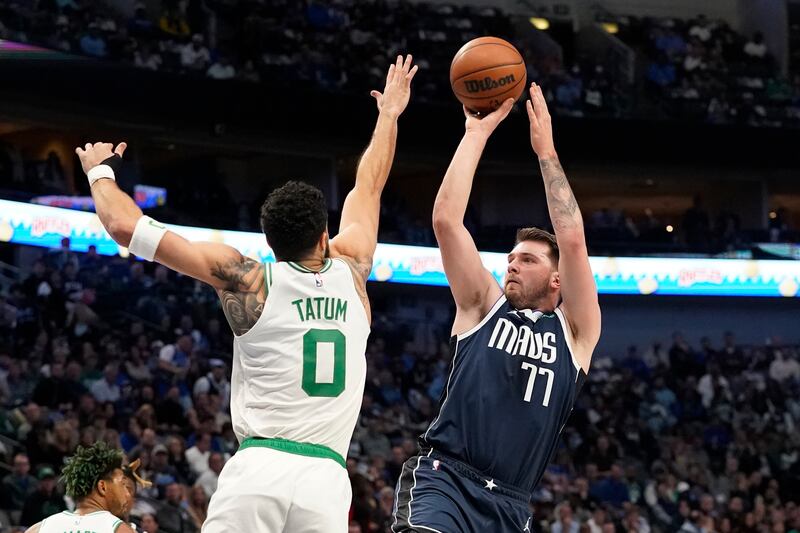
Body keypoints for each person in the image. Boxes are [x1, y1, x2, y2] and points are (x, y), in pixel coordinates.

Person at [75, 54, 418, 533]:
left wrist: (99, 171)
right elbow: (370, 183)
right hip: (325, 478)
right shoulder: (353, 267)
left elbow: (124, 226)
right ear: (325, 236)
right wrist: (389, 115)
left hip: (258, 469)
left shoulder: (247, 278)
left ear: (270, 244)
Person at [392, 83, 601, 531]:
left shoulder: (576, 334)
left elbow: (573, 241)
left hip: (510, 504)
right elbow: (447, 221)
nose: (512, 266)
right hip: (446, 478)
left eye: (527, 260)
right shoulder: (483, 305)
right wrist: (476, 134)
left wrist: (545, 153)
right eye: (510, 259)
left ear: (556, 279)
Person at [23, 441, 149, 532]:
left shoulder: (39, 529)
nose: (127, 494)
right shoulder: (118, 529)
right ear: (102, 487)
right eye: (122, 485)